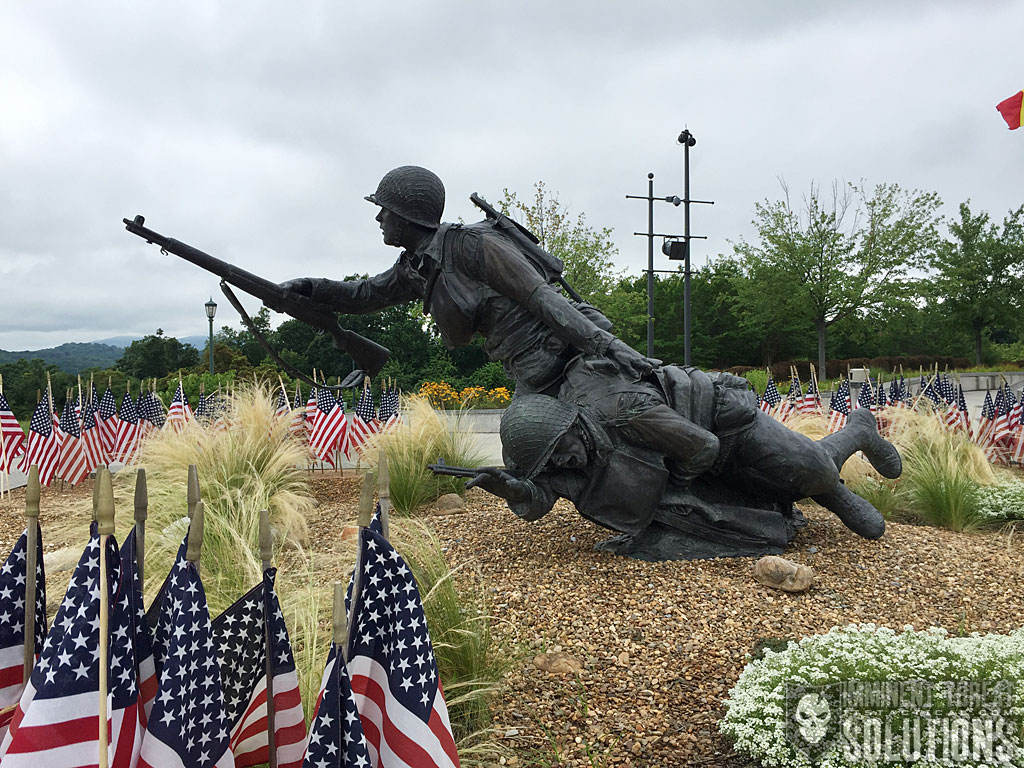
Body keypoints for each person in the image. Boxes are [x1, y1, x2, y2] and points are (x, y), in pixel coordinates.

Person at [466, 357, 902, 560]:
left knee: (809, 471)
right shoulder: (566, 454)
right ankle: (825, 479)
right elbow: (546, 492)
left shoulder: (624, 410)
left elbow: (703, 448)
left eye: (560, 456)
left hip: (725, 424)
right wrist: (512, 487)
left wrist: (675, 484)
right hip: (699, 452)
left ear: (571, 427)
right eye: (553, 466)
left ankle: (857, 433)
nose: (564, 467)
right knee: (778, 487)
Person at [279, 165, 650, 394]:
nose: (378, 220)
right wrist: (311, 288)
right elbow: (364, 295)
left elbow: (542, 298)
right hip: (526, 367)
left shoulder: (472, 245)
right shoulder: (414, 267)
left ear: (404, 218)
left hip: (561, 352)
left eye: (383, 211)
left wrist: (613, 349)